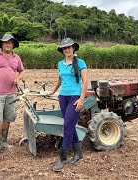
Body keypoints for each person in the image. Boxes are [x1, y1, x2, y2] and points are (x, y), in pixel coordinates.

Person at [49, 38, 88, 172]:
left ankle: (63, 158)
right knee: (70, 125)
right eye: (64, 48)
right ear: (62, 50)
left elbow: (85, 81)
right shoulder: (60, 64)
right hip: (63, 97)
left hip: (75, 97)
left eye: (69, 47)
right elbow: (60, 79)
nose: (67, 50)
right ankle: (78, 153)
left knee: (67, 126)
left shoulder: (80, 62)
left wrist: (81, 99)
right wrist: (53, 91)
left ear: (73, 48)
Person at [0, 34, 25, 155]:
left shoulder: (16, 57)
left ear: (13, 45)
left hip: (12, 93)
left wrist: (18, 78)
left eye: (10, 43)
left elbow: (22, 70)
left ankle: (4, 141)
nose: (8, 44)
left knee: (8, 117)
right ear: (1, 44)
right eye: (5, 42)